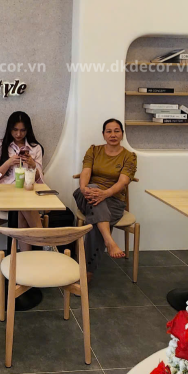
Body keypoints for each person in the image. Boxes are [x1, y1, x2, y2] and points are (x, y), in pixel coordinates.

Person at [73, 119, 137, 281]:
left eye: (117, 131)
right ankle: (109, 241)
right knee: (94, 190)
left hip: (113, 200)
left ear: (122, 134)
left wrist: (105, 193)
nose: (113, 135)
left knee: (96, 221)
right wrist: (84, 188)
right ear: (103, 134)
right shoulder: (94, 150)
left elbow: (123, 182)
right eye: (109, 131)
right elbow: (85, 172)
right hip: (87, 195)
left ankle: (86, 271)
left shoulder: (129, 157)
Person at [0, 111, 45, 234]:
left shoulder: (35, 148)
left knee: (23, 207)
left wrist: (32, 165)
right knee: (25, 206)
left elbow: (40, 181)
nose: (18, 134)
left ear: (28, 130)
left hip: (27, 193)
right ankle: (43, 239)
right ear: (10, 129)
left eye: (22, 130)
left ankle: (27, 247)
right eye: (15, 130)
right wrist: (8, 163)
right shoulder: (0, 146)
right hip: (5, 195)